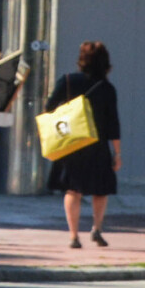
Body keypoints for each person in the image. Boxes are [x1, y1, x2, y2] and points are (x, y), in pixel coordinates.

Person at [46, 39, 122, 248]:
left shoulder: (68, 80)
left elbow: (49, 108)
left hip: (71, 142)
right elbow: (113, 123)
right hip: (97, 145)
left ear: (82, 60)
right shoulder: (107, 88)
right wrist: (117, 153)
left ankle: (73, 236)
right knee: (100, 190)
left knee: (73, 189)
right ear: (105, 63)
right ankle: (96, 228)